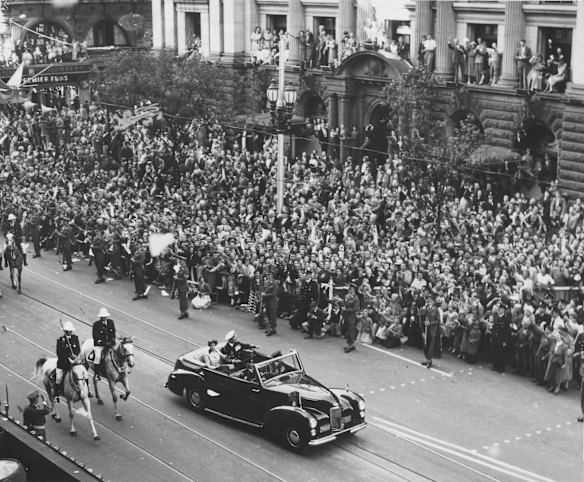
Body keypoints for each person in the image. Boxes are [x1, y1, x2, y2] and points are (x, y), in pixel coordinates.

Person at [55, 321, 81, 398]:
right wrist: (68, 358)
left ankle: (86, 388)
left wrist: (75, 355)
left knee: (82, 373)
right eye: (67, 331)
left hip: (74, 362)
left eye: (70, 331)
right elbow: (59, 353)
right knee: (58, 377)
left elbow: (78, 349)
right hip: (64, 363)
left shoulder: (75, 338)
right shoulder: (60, 340)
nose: (69, 332)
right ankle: (57, 394)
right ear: (65, 331)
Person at [92, 308, 116, 380]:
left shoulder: (111, 322)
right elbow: (95, 336)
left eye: (105, 316)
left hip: (110, 344)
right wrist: (104, 343)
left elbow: (113, 333)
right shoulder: (96, 325)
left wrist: (111, 341)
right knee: (98, 357)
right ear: (100, 317)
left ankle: (122, 369)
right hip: (100, 345)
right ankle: (96, 374)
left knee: (120, 352)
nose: (104, 317)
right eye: (103, 316)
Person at [421, 295, 442, 369]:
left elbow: (438, 321)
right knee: (425, 345)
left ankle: (429, 360)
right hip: (425, 329)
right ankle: (427, 359)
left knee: (430, 346)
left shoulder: (435, 309)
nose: (428, 302)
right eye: (427, 300)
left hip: (432, 330)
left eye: (429, 300)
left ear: (432, 301)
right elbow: (421, 317)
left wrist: (430, 323)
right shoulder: (424, 308)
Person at [343, 285, 361, 353]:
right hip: (346, 315)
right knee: (347, 329)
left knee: (351, 330)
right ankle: (350, 344)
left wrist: (346, 310)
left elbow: (356, 309)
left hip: (352, 316)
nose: (349, 289)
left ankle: (350, 345)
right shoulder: (347, 296)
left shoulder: (356, 298)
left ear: (353, 289)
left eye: (350, 288)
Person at [262, 270, 279, 336]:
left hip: (273, 301)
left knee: (273, 316)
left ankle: (272, 328)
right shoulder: (267, 282)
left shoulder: (275, 283)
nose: (269, 276)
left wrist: (265, 295)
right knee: (269, 315)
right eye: (268, 275)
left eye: (270, 275)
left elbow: (274, 293)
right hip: (268, 301)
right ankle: (272, 328)